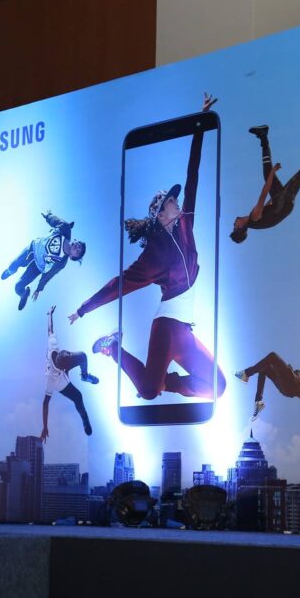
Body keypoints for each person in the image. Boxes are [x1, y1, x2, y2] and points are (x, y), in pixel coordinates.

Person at [68, 94, 226, 401]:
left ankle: (164, 382)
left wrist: (200, 125)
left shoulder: (185, 224)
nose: (177, 203)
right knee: (148, 391)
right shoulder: (154, 254)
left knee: (217, 387)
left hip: (184, 330)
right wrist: (84, 309)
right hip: (167, 328)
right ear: (161, 215)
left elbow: (192, 176)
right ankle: (113, 347)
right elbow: (120, 284)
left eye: (176, 199)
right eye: (171, 201)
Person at [230, 125, 300, 244]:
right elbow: (263, 194)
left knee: (267, 174)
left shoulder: (254, 220)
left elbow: (268, 205)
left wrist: (274, 184)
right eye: (234, 227)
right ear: (239, 227)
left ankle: (263, 136)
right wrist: (273, 171)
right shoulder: (253, 217)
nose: (233, 223)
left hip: (279, 202)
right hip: (283, 204)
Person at [2, 211, 86, 310]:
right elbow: (55, 220)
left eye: (78, 251)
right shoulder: (65, 228)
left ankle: (24, 295)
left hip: (37, 268)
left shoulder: (62, 262)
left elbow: (48, 275)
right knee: (12, 266)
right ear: (75, 240)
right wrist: (48, 216)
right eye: (79, 245)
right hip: (32, 249)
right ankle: (9, 271)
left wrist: (39, 289)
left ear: (72, 257)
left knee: (17, 287)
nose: (77, 247)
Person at [41, 306, 98, 442]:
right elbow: (45, 403)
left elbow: (50, 329)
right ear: (64, 368)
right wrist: (45, 426)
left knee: (83, 356)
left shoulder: (53, 346)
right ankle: (85, 420)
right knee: (78, 397)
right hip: (60, 383)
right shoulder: (50, 380)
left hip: (64, 364)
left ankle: (85, 376)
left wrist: (50, 314)